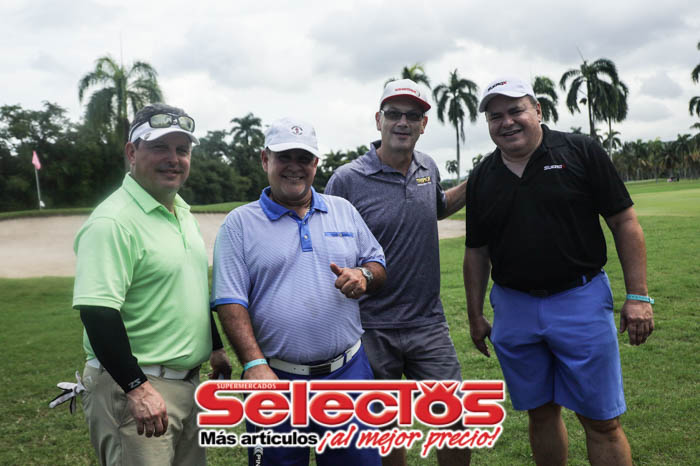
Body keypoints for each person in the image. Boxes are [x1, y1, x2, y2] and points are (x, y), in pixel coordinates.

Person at [464, 77, 655, 466]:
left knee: (601, 420)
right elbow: (477, 252)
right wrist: (474, 315)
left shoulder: (580, 150)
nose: (506, 122)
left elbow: (624, 222)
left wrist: (637, 296)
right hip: (514, 307)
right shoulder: (484, 175)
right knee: (540, 412)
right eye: (495, 116)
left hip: (579, 299)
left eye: (515, 110)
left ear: (537, 110)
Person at [211, 117, 387, 466]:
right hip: (275, 378)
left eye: (303, 158)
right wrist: (254, 364)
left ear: (316, 164)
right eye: (284, 157)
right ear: (265, 160)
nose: (294, 167)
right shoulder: (239, 224)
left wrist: (364, 274)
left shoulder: (343, 210)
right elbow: (231, 301)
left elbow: (377, 264)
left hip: (348, 374)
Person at [72, 103, 232, 466]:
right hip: (138, 389)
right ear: (132, 152)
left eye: (182, 150)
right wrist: (137, 387)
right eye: (160, 147)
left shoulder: (181, 212)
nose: (173, 159)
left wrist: (215, 347)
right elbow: (97, 312)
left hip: (186, 387)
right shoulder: (113, 222)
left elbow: (189, 289)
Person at [325, 79, 470, 466]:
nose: (403, 122)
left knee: (453, 419)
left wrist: (477, 181)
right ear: (379, 120)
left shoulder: (428, 167)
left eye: (413, 115)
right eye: (394, 114)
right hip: (370, 326)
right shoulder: (347, 179)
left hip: (428, 322)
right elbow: (326, 239)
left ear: (424, 124)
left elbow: (437, 206)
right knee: (386, 430)